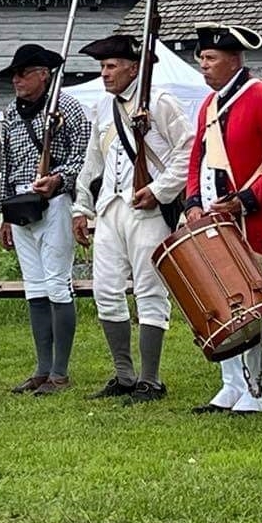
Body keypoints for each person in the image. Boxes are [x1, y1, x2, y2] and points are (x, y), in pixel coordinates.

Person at [183, 22, 262, 415]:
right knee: (221, 298)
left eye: (211, 58)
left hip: (251, 219)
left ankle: (258, 389)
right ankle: (232, 384)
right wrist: (193, 201)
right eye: (202, 58)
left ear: (234, 60)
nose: (204, 65)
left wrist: (246, 200)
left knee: (253, 304)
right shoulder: (209, 106)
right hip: (214, 219)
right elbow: (197, 158)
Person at [73, 34, 193, 404]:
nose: (105, 74)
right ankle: (124, 375)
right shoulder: (104, 108)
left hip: (149, 210)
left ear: (132, 67)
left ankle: (150, 379)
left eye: (111, 67)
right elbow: (94, 161)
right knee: (107, 290)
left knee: (149, 291)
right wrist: (81, 206)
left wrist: (158, 191)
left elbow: (187, 149)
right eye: (102, 67)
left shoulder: (160, 102)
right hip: (111, 208)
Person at [0, 43, 91, 396]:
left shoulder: (66, 108)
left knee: (56, 284)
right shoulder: (10, 113)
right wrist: (6, 213)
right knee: (34, 286)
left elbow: (82, 157)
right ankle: (41, 367)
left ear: (43, 75)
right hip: (20, 204)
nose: (17, 80)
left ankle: (60, 371)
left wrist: (58, 179)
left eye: (24, 73)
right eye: (14, 75)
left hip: (54, 202)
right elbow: (7, 166)